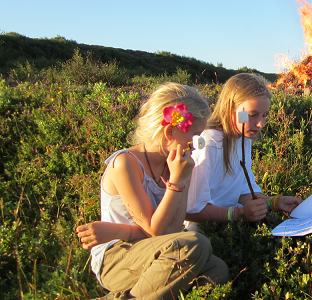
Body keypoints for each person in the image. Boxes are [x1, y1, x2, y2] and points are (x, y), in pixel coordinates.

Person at [75, 82, 229, 299]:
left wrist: (180, 177)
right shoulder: (126, 164)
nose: (196, 145)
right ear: (170, 131)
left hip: (157, 250)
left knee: (217, 269)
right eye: (195, 137)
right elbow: (155, 229)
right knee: (196, 245)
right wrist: (177, 181)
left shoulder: (176, 165)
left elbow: (173, 230)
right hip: (117, 257)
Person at [184, 73, 302, 227]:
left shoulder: (243, 138)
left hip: (231, 224)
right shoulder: (209, 143)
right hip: (203, 230)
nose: (260, 124)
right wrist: (239, 214)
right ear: (230, 108)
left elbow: (244, 193)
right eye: (253, 115)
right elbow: (193, 210)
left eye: (264, 115)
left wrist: (276, 203)